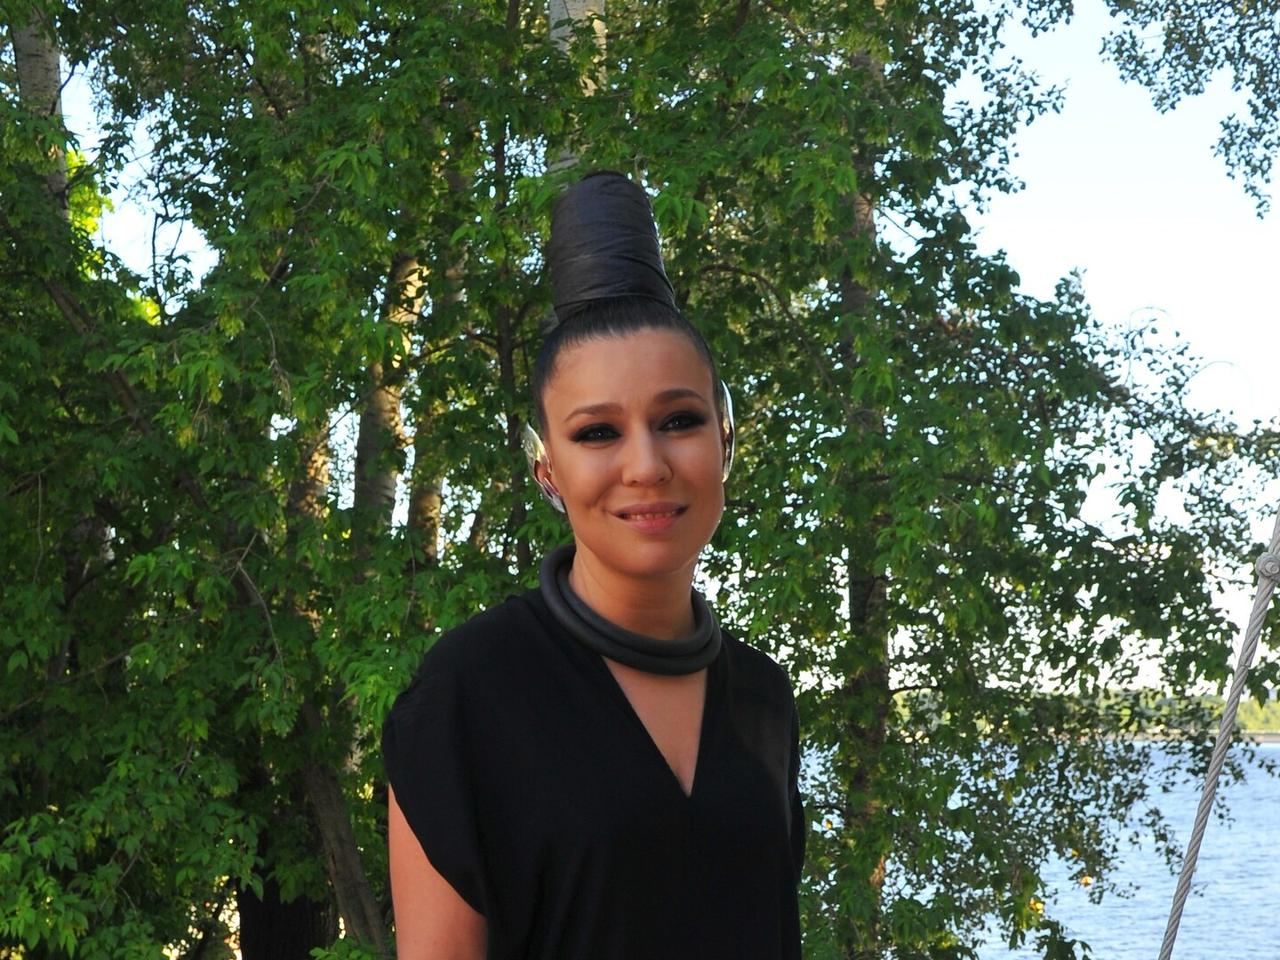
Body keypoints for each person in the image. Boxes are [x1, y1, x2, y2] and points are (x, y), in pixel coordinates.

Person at [382, 171, 805, 960]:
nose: (647, 465)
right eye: (598, 433)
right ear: (547, 469)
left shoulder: (763, 701)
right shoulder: (469, 693)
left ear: (725, 440)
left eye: (678, 420)